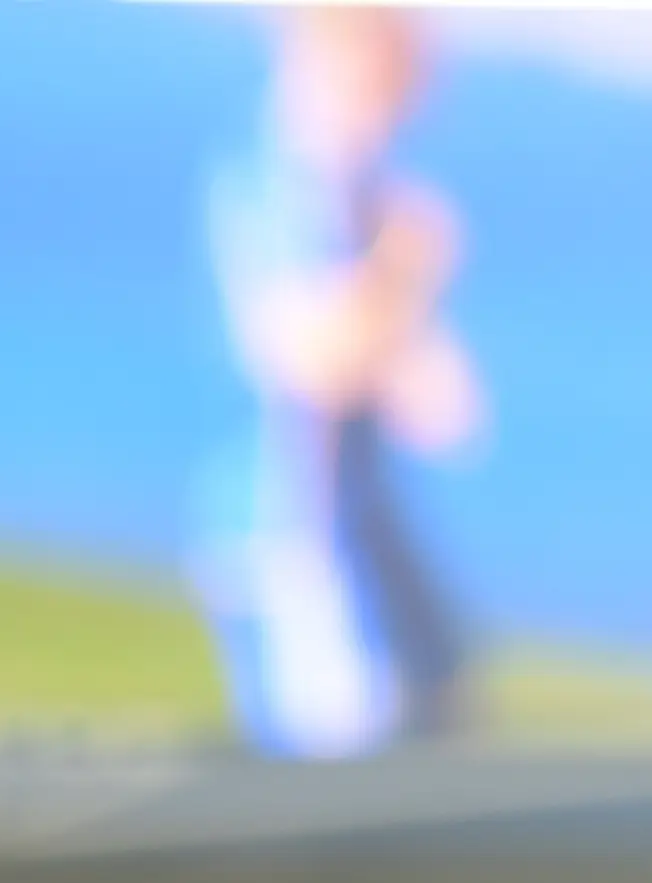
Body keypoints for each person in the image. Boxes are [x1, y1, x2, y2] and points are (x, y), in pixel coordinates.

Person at [201, 4, 485, 757]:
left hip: (361, 530)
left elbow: (445, 411)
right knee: (333, 784)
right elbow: (310, 362)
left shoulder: (362, 200)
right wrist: (399, 276)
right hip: (288, 534)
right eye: (386, 88)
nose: (393, 116)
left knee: (442, 696)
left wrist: (400, 302)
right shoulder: (272, 188)